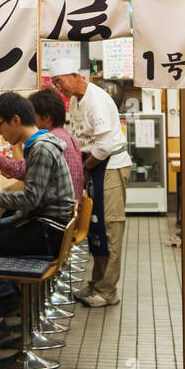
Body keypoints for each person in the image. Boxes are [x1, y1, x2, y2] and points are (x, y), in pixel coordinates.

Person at [0, 91, 76, 349]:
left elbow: (31, 200)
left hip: (46, 233)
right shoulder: (41, 144)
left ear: (15, 120)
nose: (0, 133)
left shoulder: (41, 149)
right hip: (44, 227)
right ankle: (4, 304)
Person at [48, 59, 132, 308]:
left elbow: (105, 147)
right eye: (54, 83)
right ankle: (97, 283)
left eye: (59, 81)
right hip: (93, 166)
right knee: (96, 228)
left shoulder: (97, 99)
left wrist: (84, 168)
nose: (57, 87)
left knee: (111, 227)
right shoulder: (75, 100)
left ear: (75, 75)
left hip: (109, 167)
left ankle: (108, 291)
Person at [0, 87, 85, 203]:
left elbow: (28, 193)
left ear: (15, 120)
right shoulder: (57, 137)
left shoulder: (43, 146)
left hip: (48, 218)